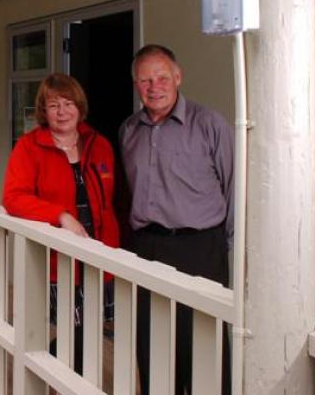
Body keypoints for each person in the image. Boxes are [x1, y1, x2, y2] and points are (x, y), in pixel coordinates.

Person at [119, 44, 233, 394]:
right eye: (145, 80)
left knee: (204, 341)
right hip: (148, 247)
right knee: (153, 340)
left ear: (178, 77)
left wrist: (230, 251)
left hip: (201, 247)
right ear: (136, 85)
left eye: (162, 77)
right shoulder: (128, 130)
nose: (155, 86)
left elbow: (234, 189)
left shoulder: (209, 124)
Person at [2, 73, 120, 373]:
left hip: (99, 255)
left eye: (68, 103)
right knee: (74, 328)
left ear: (79, 107)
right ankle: (58, 376)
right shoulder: (29, 147)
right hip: (59, 259)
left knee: (90, 326)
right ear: (44, 110)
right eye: (54, 105)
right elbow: (14, 197)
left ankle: (64, 375)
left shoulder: (100, 144)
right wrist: (60, 215)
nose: (62, 111)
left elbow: (115, 200)